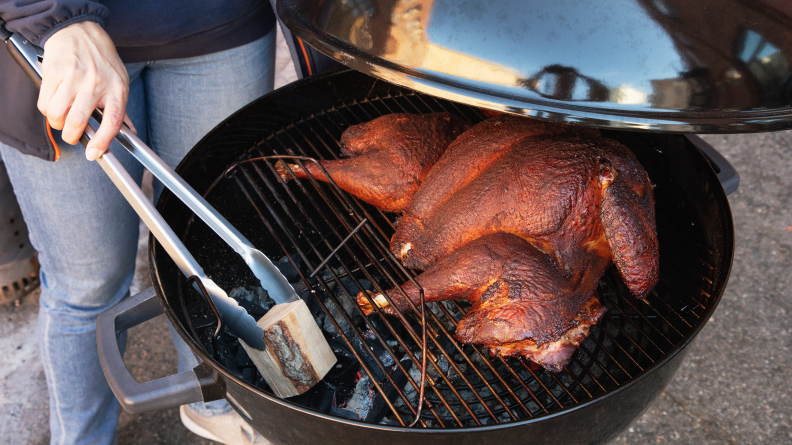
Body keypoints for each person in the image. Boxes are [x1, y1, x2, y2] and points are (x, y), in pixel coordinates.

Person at [0, 1, 278, 444]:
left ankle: (214, 405)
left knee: (208, 258)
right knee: (87, 287)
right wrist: (46, 12)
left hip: (217, 24)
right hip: (54, 48)